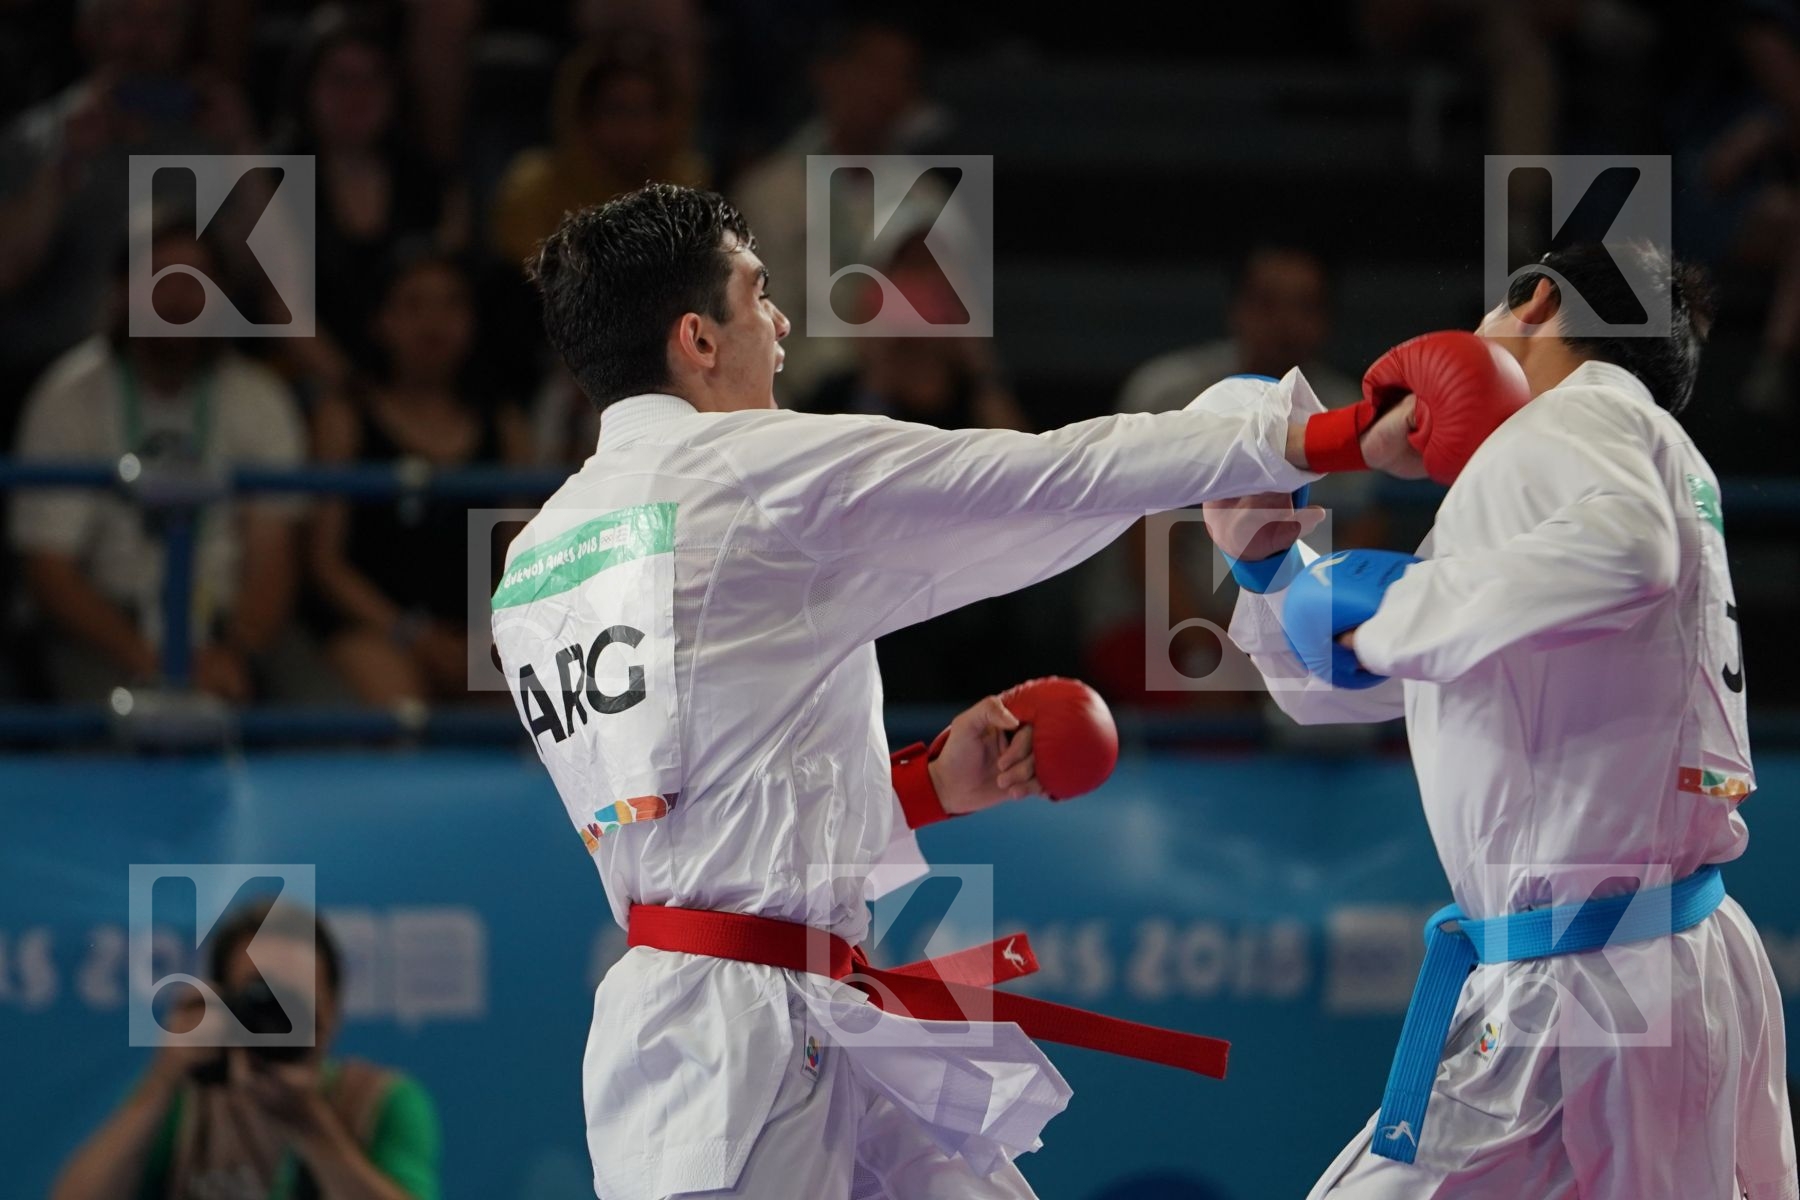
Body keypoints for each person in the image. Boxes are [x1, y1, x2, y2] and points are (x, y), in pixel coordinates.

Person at [491, 183, 1406, 1200]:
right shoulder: (750, 474)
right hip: (751, 1034)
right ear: (698, 338)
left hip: (723, 1019)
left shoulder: (530, 566)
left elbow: (696, 811)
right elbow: (1047, 479)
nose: (784, 323)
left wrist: (929, 787)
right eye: (758, 295)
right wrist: (1326, 439)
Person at [1205, 243, 1797, 1198]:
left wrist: (1394, 608)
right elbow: (1369, 677)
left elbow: (1624, 555)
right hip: (1648, 961)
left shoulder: (1576, 414)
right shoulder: (1623, 453)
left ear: (1535, 302)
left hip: (1595, 979)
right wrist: (1273, 571)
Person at [8, 216, 310, 703]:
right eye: (161, 281)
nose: (179, 301)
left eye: (197, 284)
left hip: (231, 627)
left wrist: (234, 653)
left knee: (335, 728)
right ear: (121, 291)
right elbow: (50, 568)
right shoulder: (66, 396)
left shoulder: (261, 399)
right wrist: (150, 656)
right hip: (107, 626)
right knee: (118, 743)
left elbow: (272, 559)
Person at [49, 901, 441, 1200]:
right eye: (261, 993)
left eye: (296, 995)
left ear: (333, 1008)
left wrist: (312, 1126)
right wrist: (161, 1080)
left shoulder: (378, 1102)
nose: (280, 1012)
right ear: (223, 1000)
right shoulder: (185, 1103)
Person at [309, 244, 531, 707]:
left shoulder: (504, 426)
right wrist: (410, 633)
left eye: (451, 305)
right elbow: (326, 564)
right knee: (401, 712)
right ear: (379, 321)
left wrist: (488, 634)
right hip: (375, 630)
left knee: (545, 716)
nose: (434, 323)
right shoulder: (344, 419)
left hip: (477, 632)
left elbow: (521, 556)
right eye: (412, 305)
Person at [490, 39, 708, 271]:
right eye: (616, 111)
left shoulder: (688, 184)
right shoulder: (532, 189)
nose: (632, 130)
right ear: (582, 116)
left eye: (646, 111)